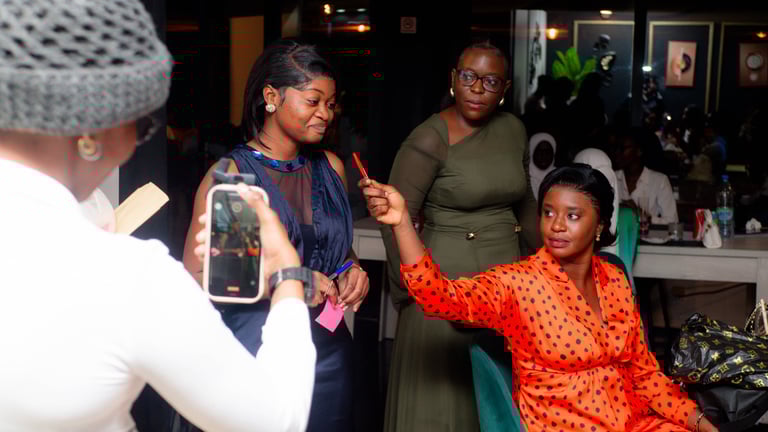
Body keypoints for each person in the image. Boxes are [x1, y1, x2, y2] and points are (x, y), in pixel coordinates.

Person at [0, 1, 316, 430]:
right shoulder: (129, 275)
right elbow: (275, 421)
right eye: (142, 125)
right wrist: (287, 274)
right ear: (93, 132)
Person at [360, 164, 719, 432]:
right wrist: (402, 222)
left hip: (632, 421)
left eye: (572, 215)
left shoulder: (614, 280)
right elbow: (438, 296)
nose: (556, 225)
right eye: (548, 213)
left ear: (599, 226)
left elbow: (645, 375)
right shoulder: (520, 284)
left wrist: (701, 423)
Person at [182, 39, 368, 432]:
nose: (325, 114)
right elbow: (198, 279)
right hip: (256, 346)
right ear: (272, 97)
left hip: (329, 349)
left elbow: (330, 246)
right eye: (313, 101)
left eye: (331, 104)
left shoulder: (330, 167)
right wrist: (290, 283)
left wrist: (351, 268)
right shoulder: (234, 177)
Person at [379, 40, 540, 432]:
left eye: (490, 81)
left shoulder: (514, 129)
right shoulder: (428, 139)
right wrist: (410, 288)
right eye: (468, 76)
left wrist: (554, 267)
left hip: (506, 286)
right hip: (445, 284)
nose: (478, 88)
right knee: (444, 403)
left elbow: (526, 204)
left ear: (505, 88)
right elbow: (394, 218)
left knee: (496, 401)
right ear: (453, 79)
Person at [614, 128, 679, 225]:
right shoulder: (612, 177)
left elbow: (673, 221)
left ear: (639, 151)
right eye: (616, 148)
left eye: (623, 149)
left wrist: (644, 216)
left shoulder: (659, 180)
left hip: (648, 235)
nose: (617, 153)